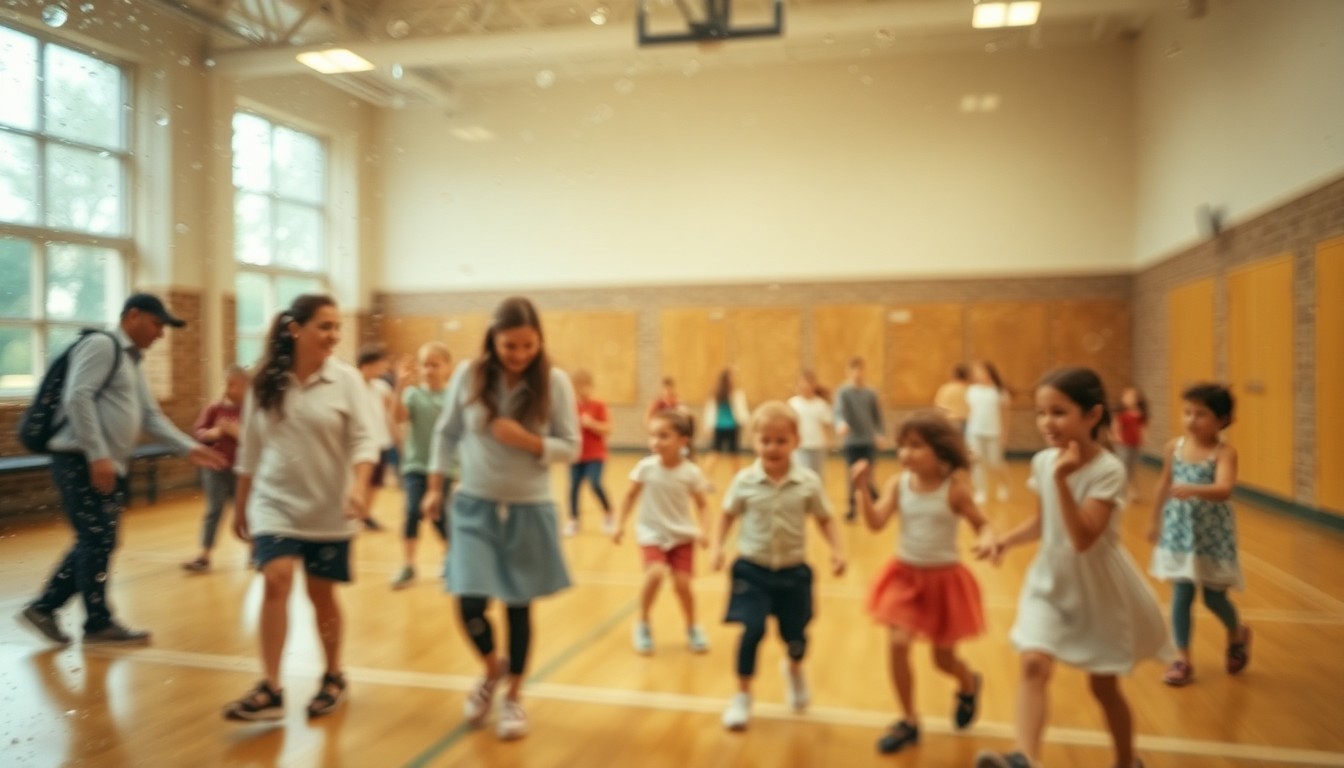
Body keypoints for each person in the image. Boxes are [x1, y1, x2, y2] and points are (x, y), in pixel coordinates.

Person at [974, 367, 1172, 768]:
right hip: (1050, 579)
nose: (1047, 422)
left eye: (1058, 412)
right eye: (1041, 413)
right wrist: (1004, 541)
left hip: (1096, 588)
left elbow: (1082, 538)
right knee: (1033, 664)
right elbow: (1043, 522)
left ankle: (1126, 761)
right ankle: (1025, 758)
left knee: (1103, 688)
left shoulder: (1108, 470)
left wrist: (1063, 480)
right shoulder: (1043, 462)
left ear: (1092, 415)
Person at [18, 293, 228, 646]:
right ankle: (94, 623)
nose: (161, 333)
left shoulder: (131, 360)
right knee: (96, 538)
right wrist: (97, 455)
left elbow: (150, 417)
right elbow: (78, 396)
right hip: (80, 460)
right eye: (157, 324)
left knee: (99, 539)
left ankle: (47, 608)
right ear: (133, 316)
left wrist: (189, 448)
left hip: (102, 462)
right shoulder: (103, 345)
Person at [420, 297, 578, 741]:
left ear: (539, 341)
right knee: (468, 600)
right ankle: (492, 669)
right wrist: (434, 488)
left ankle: (514, 696)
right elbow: (447, 433)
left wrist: (529, 440)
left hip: (529, 507)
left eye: (529, 345)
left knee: (517, 605)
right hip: (474, 504)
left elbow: (571, 446)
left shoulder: (555, 382)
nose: (519, 354)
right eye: (510, 346)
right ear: (493, 339)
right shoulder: (469, 375)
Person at [223, 294, 379, 722]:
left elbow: (365, 440)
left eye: (337, 327)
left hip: (329, 509)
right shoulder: (264, 382)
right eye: (324, 326)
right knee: (276, 581)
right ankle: (271, 687)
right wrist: (241, 506)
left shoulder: (346, 380)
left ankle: (333, 676)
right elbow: (250, 450)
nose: (334, 335)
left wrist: (359, 487)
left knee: (320, 594)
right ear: (295, 329)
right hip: (274, 504)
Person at [851, 411, 997, 754]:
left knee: (942, 660)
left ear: (940, 450)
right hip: (904, 577)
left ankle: (968, 683)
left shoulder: (954, 491)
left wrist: (988, 539)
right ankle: (909, 720)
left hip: (943, 582)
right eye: (902, 445)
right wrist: (862, 490)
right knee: (898, 643)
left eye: (916, 445)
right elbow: (876, 524)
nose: (905, 453)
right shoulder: (898, 484)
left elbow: (983, 524)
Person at [712, 401, 846, 731]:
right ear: (754, 441)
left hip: (793, 572)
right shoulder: (744, 481)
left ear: (796, 441)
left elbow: (825, 519)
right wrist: (716, 547)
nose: (772, 447)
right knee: (752, 630)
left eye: (781, 441)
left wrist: (837, 550)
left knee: (795, 636)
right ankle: (742, 695)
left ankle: (794, 669)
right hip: (751, 569)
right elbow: (726, 515)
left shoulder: (808, 482)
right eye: (765, 440)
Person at [1147, 383, 1249, 687]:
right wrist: (1154, 520)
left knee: (1214, 598)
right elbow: (1164, 484)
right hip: (1180, 532)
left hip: (1211, 535)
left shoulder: (1224, 452)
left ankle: (1237, 632)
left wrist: (1193, 489)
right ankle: (1182, 659)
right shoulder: (1174, 448)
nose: (1191, 420)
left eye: (1200, 414)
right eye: (1187, 412)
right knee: (1181, 594)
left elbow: (1224, 489)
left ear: (1222, 420)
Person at [613, 409, 711, 655]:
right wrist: (619, 524)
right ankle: (643, 623)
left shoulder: (691, 472)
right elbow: (629, 497)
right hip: (651, 532)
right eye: (653, 435)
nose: (656, 441)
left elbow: (702, 505)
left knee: (683, 585)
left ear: (682, 441)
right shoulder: (645, 468)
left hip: (682, 535)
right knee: (655, 574)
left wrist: (704, 530)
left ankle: (692, 627)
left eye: (663, 436)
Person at [390, 342, 454, 589]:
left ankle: (450, 559)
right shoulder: (413, 395)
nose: (429, 370)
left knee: (440, 516)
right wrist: (400, 386)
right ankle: (408, 565)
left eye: (435, 365)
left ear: (447, 367)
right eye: (425, 365)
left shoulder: (453, 397)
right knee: (412, 511)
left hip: (445, 468)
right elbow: (398, 417)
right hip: (416, 465)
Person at [182, 364, 250, 573]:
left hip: (240, 471)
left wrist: (236, 432)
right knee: (214, 509)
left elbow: (256, 440)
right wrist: (213, 433)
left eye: (234, 385)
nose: (228, 389)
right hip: (215, 468)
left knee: (245, 511)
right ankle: (204, 555)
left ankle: (255, 552)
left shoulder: (251, 411)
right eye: (226, 384)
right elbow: (200, 432)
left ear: (246, 386)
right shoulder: (214, 409)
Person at [835, 356, 884, 521]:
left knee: (868, 473)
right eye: (853, 370)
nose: (857, 373)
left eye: (860, 369)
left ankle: (873, 500)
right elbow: (839, 412)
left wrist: (879, 434)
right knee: (852, 475)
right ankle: (852, 507)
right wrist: (841, 424)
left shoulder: (870, 393)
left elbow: (877, 417)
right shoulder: (844, 392)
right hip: (852, 441)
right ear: (848, 372)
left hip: (867, 440)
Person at [567, 368, 614, 537]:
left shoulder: (599, 405)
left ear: (591, 386)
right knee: (573, 487)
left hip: (595, 455)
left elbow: (608, 429)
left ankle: (608, 514)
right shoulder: (571, 407)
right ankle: (574, 520)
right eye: (578, 387)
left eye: (585, 386)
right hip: (576, 455)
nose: (581, 391)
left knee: (595, 483)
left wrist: (591, 423)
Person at [356, 345, 396, 531]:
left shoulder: (381, 387)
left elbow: (394, 411)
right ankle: (355, 514)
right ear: (366, 365)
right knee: (359, 482)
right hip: (360, 443)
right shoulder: (352, 386)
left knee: (376, 483)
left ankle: (365, 515)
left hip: (381, 441)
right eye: (378, 364)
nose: (382, 368)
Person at [965, 360, 1012, 505]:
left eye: (981, 371)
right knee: (977, 463)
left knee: (995, 462)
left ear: (990, 372)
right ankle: (981, 491)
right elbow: (970, 413)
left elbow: (1005, 415)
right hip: (975, 432)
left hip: (994, 433)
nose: (978, 374)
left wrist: (1004, 435)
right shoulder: (972, 390)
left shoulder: (999, 392)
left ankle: (1005, 485)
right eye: (976, 371)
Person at [702, 368, 749, 477]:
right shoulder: (717, 394)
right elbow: (710, 412)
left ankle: (738, 477)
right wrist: (708, 427)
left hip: (733, 427)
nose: (734, 379)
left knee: (734, 454)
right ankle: (704, 476)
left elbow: (741, 411)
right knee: (715, 452)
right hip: (720, 427)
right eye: (731, 377)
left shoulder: (736, 394)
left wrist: (745, 423)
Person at [787, 370, 833, 481]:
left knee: (817, 476)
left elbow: (826, 425)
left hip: (817, 446)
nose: (806, 386)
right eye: (803, 382)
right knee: (803, 475)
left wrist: (828, 442)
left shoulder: (820, 404)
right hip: (800, 446)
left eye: (809, 383)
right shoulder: (793, 404)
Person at [1112, 387, 1149, 502]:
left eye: (1131, 397)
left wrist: (1144, 437)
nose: (1128, 399)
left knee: (1132, 467)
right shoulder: (1122, 414)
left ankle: (1130, 489)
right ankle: (1122, 489)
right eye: (1126, 397)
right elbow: (1116, 425)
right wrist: (1117, 435)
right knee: (1123, 466)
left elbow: (1143, 428)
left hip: (1135, 443)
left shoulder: (1140, 414)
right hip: (1124, 444)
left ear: (1137, 399)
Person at [933, 364, 971, 435]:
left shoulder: (946, 389)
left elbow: (939, 407)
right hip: (967, 422)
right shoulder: (970, 390)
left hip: (950, 420)